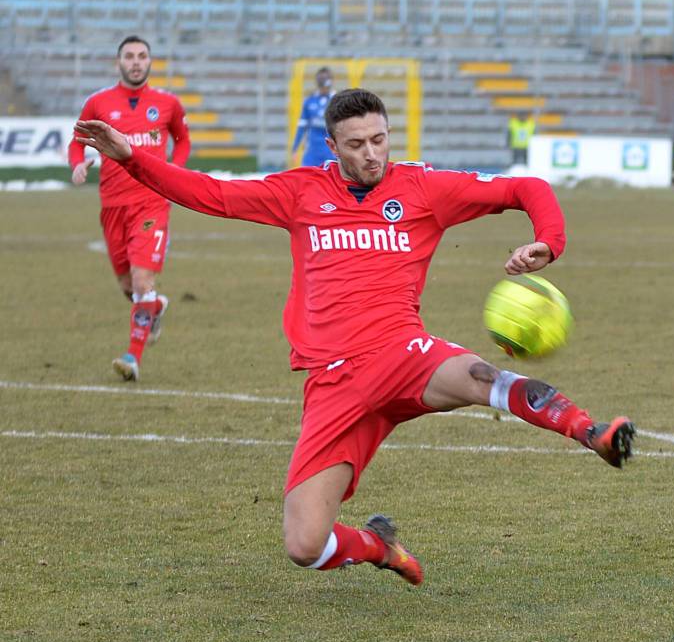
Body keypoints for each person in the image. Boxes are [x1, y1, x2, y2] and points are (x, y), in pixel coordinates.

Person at [75, 88, 635, 586]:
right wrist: (131, 157)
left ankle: (591, 431)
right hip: (333, 385)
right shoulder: (299, 193)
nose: (372, 153)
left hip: (401, 354)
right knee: (304, 546)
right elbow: (211, 194)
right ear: (332, 146)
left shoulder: (423, 187)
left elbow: (527, 187)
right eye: (357, 144)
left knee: (478, 376)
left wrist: (547, 242)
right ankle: (378, 546)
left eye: (380, 139)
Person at [68, 35, 191, 382]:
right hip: (112, 206)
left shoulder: (167, 103)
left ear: (150, 62)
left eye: (142, 56)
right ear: (119, 61)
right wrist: (77, 164)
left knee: (141, 279)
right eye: (129, 56)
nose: (136, 62)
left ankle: (132, 358)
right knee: (129, 288)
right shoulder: (99, 103)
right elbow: (76, 141)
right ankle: (156, 306)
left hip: (152, 202)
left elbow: (182, 139)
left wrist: (175, 170)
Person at [291, 66, 335, 167]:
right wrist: (295, 148)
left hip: (331, 154)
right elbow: (301, 127)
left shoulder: (337, 100)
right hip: (312, 154)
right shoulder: (309, 101)